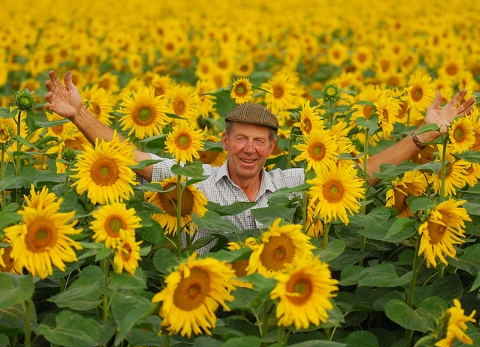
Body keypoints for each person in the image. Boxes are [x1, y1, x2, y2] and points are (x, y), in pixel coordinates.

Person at [44, 70, 476, 251]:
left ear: (272, 148)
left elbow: (365, 172)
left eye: (259, 142)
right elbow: (129, 156)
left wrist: (427, 134)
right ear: (225, 142)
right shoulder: (196, 181)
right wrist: (78, 115)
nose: (249, 149)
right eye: (241, 140)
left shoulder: (291, 184)